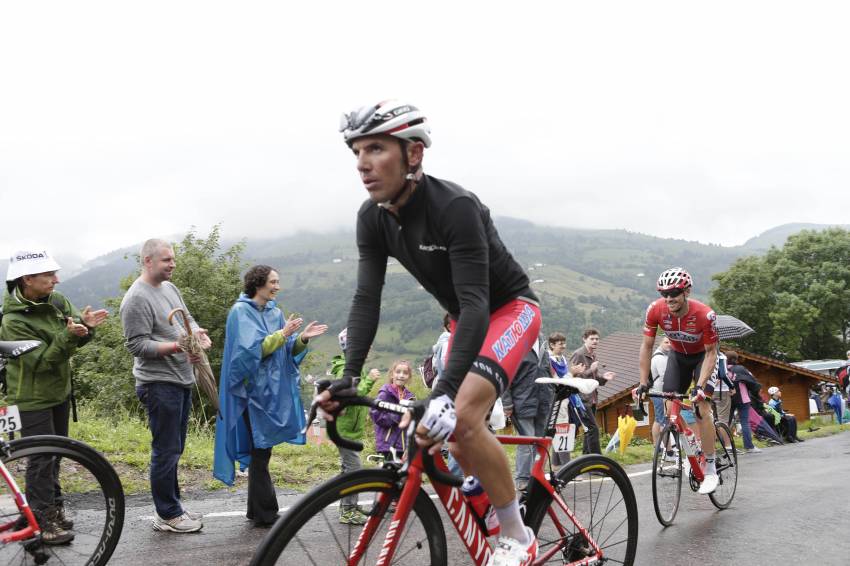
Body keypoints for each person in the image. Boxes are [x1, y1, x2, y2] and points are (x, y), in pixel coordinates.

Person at [320, 100, 543, 565]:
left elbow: (479, 302)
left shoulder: (454, 207)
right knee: (440, 431)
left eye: (376, 149)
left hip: (509, 310)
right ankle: (482, 493)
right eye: (357, 152)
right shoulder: (372, 217)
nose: (362, 164)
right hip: (466, 320)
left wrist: (442, 391)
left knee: (459, 416)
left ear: (413, 154)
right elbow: (367, 299)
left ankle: (519, 536)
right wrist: (350, 375)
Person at [1, 249, 108, 544]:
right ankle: (43, 521)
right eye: (49, 275)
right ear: (27, 279)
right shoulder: (12, 322)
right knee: (41, 458)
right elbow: (42, 362)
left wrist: (85, 329)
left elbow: (71, 344)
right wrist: (69, 336)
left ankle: (52, 510)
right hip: (31, 398)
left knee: (57, 455)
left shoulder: (57, 302)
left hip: (59, 392)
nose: (56, 280)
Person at [213, 265, 327, 527]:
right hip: (250, 395)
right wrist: (283, 334)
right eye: (273, 282)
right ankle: (266, 513)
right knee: (260, 452)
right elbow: (247, 354)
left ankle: (257, 511)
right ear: (258, 284)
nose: (277, 286)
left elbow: (286, 350)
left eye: (278, 281)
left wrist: (301, 340)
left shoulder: (275, 312)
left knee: (261, 452)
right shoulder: (240, 312)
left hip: (271, 395)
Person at [120, 239, 212, 533]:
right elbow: (136, 345)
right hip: (159, 384)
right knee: (166, 450)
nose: (172, 264)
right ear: (148, 261)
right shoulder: (136, 298)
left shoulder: (170, 289)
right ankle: (168, 514)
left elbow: (188, 320)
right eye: (166, 261)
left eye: (173, 259)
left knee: (175, 447)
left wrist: (199, 335)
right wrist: (177, 346)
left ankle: (172, 507)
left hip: (181, 379)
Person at [636, 267, 721, 495]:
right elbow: (646, 346)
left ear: (687, 292)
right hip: (677, 357)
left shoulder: (705, 314)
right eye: (664, 293)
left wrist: (701, 386)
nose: (669, 298)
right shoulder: (656, 310)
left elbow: (711, 353)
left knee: (702, 407)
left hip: (702, 358)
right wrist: (643, 382)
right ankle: (690, 453)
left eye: (674, 292)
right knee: (669, 406)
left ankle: (711, 467)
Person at [331, 328, 380, 525]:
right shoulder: (345, 369)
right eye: (364, 345)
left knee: (348, 470)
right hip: (343, 431)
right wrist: (369, 379)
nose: (368, 348)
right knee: (354, 469)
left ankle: (349, 505)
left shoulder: (353, 368)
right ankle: (348, 511)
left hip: (351, 429)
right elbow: (352, 393)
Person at [501, 335, 553, 491]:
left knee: (540, 442)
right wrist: (507, 403)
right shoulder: (515, 345)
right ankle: (522, 479)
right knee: (527, 442)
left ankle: (537, 476)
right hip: (522, 401)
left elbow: (547, 371)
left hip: (543, 401)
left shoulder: (543, 345)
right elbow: (505, 377)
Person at [570, 328, 616, 454]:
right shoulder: (578, 354)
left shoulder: (593, 355)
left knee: (589, 430)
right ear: (584, 339)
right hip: (582, 398)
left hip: (593, 398)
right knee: (593, 429)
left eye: (597, 339)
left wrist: (604, 378)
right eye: (592, 339)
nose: (595, 341)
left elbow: (594, 378)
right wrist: (591, 369)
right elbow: (573, 377)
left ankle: (586, 459)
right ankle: (596, 461)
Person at [547, 332, 586, 468]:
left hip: (565, 399)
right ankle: (567, 467)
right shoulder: (549, 360)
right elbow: (557, 382)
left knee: (559, 429)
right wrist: (572, 373)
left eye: (564, 343)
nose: (564, 346)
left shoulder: (562, 358)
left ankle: (556, 464)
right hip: (556, 399)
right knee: (562, 431)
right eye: (560, 344)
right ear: (552, 345)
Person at [370, 360, 416, 462]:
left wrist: (410, 447)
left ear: (409, 377)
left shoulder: (410, 398)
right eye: (398, 372)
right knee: (387, 475)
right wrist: (398, 416)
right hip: (387, 445)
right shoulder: (385, 393)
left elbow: (412, 424)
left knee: (403, 475)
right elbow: (376, 415)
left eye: (405, 373)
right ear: (392, 375)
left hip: (404, 447)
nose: (401, 375)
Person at [726, 351, 761, 453]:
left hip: (728, 398)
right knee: (744, 422)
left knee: (725, 422)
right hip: (743, 397)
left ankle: (727, 446)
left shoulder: (723, 369)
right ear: (736, 359)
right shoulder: (740, 369)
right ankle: (749, 446)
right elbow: (752, 380)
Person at [649, 337, 672, 457]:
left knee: (659, 419)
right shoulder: (660, 357)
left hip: (657, 392)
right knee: (662, 419)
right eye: (666, 342)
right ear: (660, 344)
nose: (669, 344)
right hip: (660, 393)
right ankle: (666, 449)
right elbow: (665, 377)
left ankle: (658, 447)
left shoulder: (663, 355)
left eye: (670, 342)